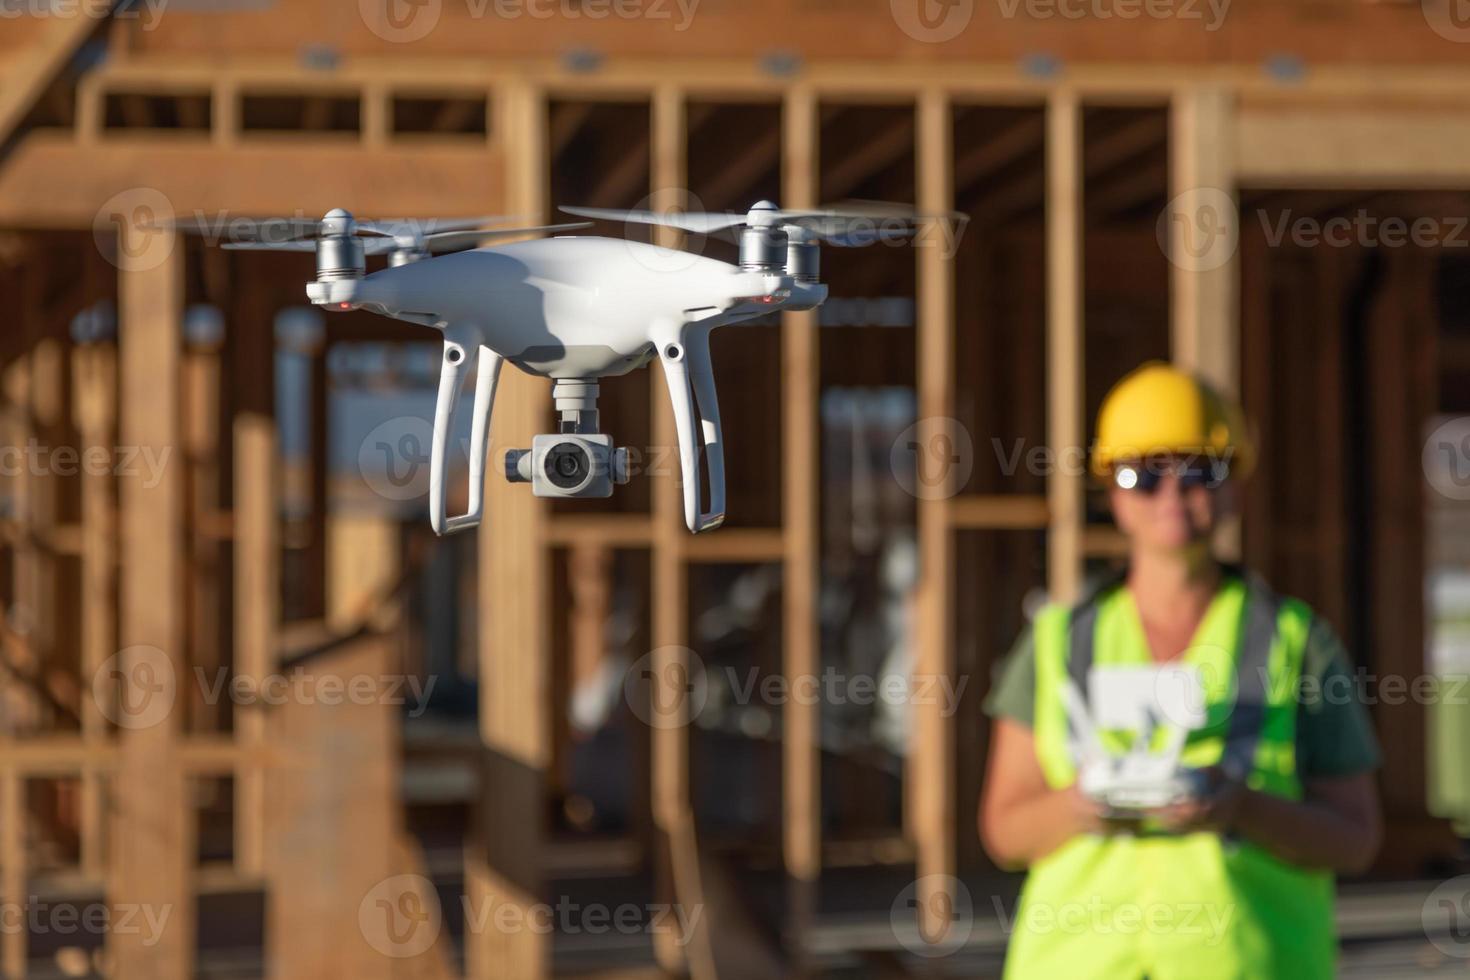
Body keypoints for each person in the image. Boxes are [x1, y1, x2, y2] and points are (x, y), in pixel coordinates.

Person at [980, 362, 1383, 979]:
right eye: (1143, 474)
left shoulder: (1298, 642)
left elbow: (1355, 838)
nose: (1172, 493)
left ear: (1236, 486)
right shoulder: (1055, 643)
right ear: (1111, 491)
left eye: (1201, 470)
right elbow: (1005, 832)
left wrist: (1241, 809)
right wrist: (1086, 804)